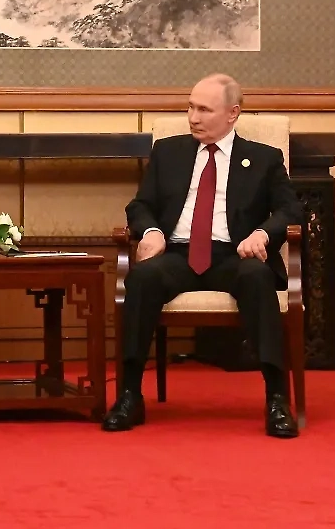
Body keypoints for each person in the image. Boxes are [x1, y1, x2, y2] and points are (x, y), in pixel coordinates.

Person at [104, 73, 303, 438]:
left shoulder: (263, 158)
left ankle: (277, 398)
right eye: (191, 108)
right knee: (142, 278)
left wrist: (262, 233)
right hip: (177, 254)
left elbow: (291, 210)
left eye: (204, 110)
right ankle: (129, 394)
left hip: (234, 254)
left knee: (257, 278)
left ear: (232, 113)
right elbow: (141, 205)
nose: (193, 118)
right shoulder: (169, 152)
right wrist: (151, 232)